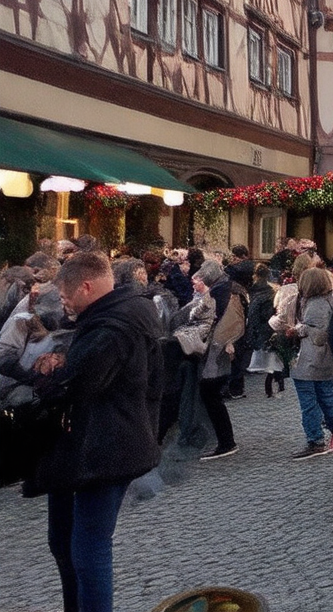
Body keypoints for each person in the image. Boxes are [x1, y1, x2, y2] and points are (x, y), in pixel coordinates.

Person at [4, 252, 163, 612]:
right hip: (85, 445)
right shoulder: (112, 316)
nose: (63, 303)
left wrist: (42, 375)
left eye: (65, 295)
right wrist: (62, 359)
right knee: (63, 540)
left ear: (87, 287)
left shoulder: (113, 327)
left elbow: (76, 385)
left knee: (89, 546)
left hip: (105, 449)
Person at [285, 267, 333, 459]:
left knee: (309, 400)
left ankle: (315, 439)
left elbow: (318, 334)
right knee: (326, 393)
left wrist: (298, 330)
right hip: (327, 359)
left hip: (311, 360)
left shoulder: (315, 305)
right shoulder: (332, 300)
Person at [197, 264, 248, 461]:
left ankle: (225, 441)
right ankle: (224, 439)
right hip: (231, 345)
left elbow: (211, 320)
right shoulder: (234, 288)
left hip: (219, 348)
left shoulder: (219, 293)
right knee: (212, 394)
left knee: (210, 393)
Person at [244, 264, 284, 398]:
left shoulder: (253, 291)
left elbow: (253, 314)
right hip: (269, 325)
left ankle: (273, 386)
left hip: (260, 326)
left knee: (270, 357)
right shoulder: (270, 291)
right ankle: (278, 383)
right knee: (273, 356)